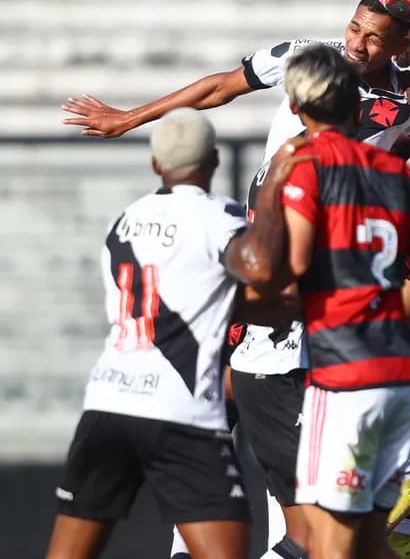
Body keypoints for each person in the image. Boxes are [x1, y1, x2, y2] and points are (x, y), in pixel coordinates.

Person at [63, 0, 410, 559]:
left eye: (373, 36)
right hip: (332, 341)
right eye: (354, 29)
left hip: (291, 324)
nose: (357, 44)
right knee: (307, 501)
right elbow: (221, 86)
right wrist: (130, 116)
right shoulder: (324, 79)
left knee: (291, 500)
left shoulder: (321, 153)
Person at [44, 107, 300, 559]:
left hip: (108, 403)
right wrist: (276, 185)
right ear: (215, 161)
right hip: (180, 411)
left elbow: (173, 301)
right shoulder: (218, 216)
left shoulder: (122, 221)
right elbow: (258, 271)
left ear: (156, 164)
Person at [243, 43, 410, 559]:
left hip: (342, 381)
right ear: (357, 109)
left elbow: (284, 276)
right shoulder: (402, 177)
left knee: (325, 546)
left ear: (294, 108)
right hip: (403, 382)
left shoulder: (304, 169)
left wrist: (233, 304)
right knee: (372, 545)